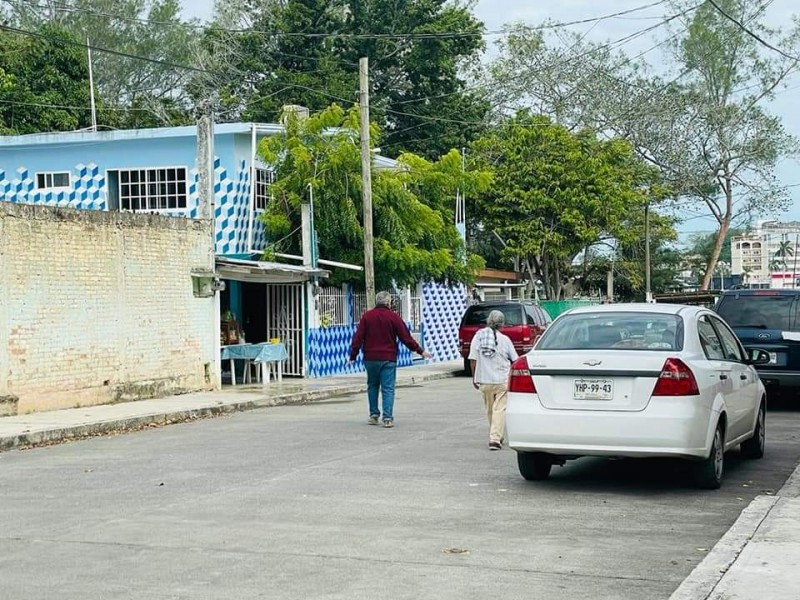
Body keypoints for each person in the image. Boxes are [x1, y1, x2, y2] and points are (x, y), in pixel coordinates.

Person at [348, 291, 432, 427]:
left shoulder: (367, 317)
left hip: (370, 358)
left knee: (372, 386)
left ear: (377, 302)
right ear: (388, 302)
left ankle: (374, 415)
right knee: (388, 388)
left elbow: (358, 338)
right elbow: (406, 338)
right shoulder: (394, 318)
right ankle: (387, 418)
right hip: (388, 358)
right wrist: (420, 351)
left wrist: (353, 355)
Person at [468, 309, 519, 450]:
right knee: (499, 410)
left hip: (484, 381)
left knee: (490, 410)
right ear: (501, 324)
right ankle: (495, 438)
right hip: (502, 380)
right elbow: (515, 359)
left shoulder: (478, 337)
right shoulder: (505, 340)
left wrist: (474, 377)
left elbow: (473, 359)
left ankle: (496, 436)